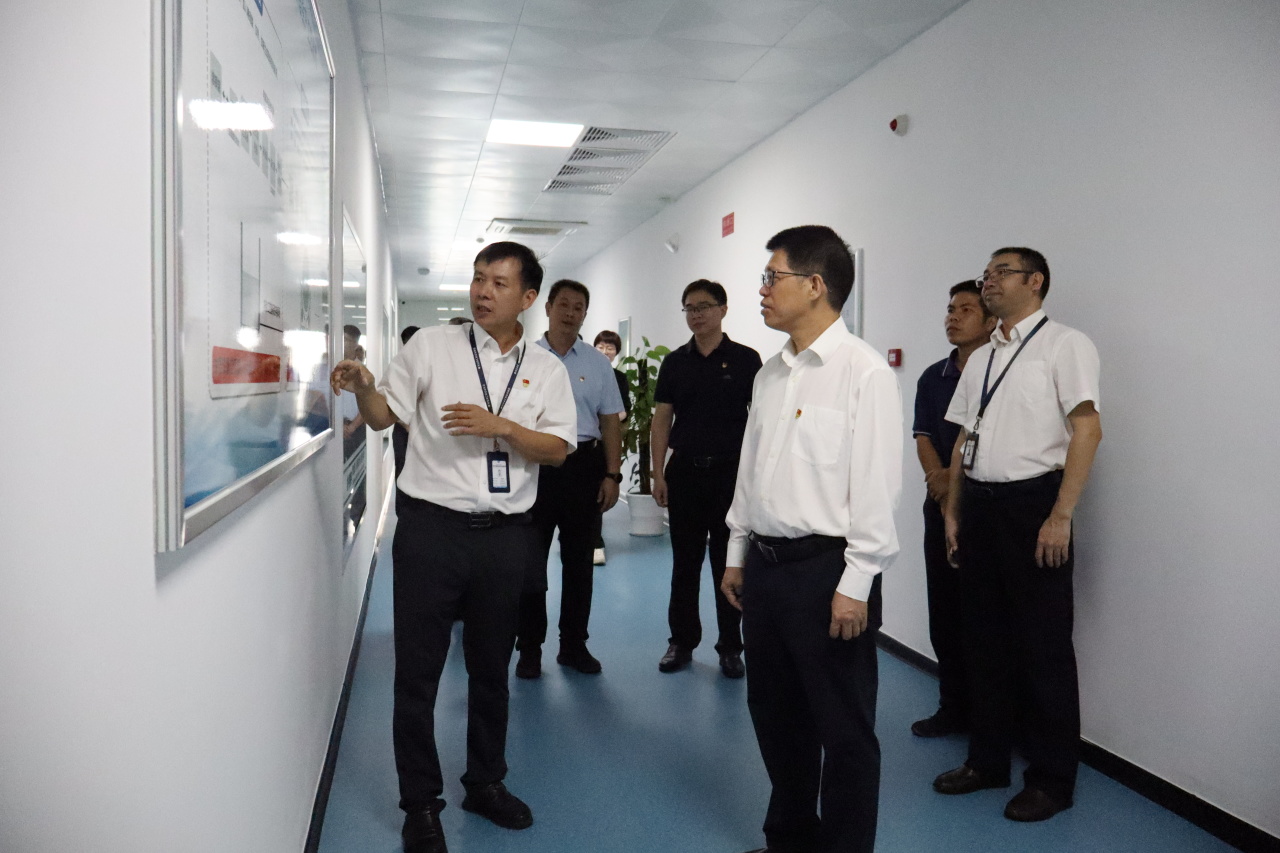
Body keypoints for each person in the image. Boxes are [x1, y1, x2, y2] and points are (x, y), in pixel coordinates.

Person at [330, 241, 576, 853]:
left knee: (491, 670)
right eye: (478, 279)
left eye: (499, 283)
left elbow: (558, 449)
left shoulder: (546, 369)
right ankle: (420, 804)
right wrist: (364, 386)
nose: (483, 291)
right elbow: (382, 417)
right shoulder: (433, 346)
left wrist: (502, 428)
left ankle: (485, 783)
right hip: (431, 532)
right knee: (418, 674)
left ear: (527, 298)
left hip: (506, 537)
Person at [722, 225, 902, 853]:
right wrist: (737, 552)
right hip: (766, 569)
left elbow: (877, 488)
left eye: (773, 277)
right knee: (775, 716)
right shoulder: (770, 374)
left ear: (816, 285)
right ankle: (791, 838)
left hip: (828, 573)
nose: (762, 291)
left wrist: (857, 584)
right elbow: (750, 470)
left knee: (844, 728)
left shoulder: (864, 372)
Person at [932, 247, 1102, 824]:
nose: (989, 281)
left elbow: (1087, 429)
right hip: (979, 507)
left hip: (1034, 508)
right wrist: (954, 513)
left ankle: (1052, 780)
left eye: (1001, 272)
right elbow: (963, 440)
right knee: (982, 640)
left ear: (1036, 281)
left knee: (1042, 647)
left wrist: (1061, 515)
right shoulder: (982, 356)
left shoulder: (1065, 344)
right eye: (987, 273)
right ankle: (987, 761)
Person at [650, 279, 761, 678]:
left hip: (731, 475)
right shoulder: (675, 362)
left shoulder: (747, 360)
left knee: (728, 564)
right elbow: (662, 419)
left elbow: (760, 422)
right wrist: (657, 472)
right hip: (685, 473)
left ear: (723, 310)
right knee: (685, 563)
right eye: (689, 308)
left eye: (704, 306)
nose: (696, 315)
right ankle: (681, 642)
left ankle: (731, 647)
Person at [515, 280, 625, 678]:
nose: (570, 313)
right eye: (563, 304)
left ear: (585, 314)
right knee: (531, 564)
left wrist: (612, 474)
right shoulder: (524, 357)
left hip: (583, 468)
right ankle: (529, 648)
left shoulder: (597, 364)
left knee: (580, 564)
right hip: (536, 467)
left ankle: (573, 645)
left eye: (578, 307)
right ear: (547, 308)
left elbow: (610, 422)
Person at [909, 281, 996, 738]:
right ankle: (952, 707)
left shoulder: (999, 371)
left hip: (984, 506)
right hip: (940, 502)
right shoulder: (932, 377)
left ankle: (992, 717)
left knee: (985, 617)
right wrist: (940, 483)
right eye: (950, 309)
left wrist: (956, 489)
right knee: (943, 612)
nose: (953, 317)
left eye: (965, 309)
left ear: (991, 320)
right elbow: (923, 435)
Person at [592, 329, 630, 566]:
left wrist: (607, 419)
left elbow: (624, 410)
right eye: (601, 346)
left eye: (610, 348)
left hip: (605, 442)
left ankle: (596, 542)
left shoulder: (619, 378)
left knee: (599, 492)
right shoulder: (587, 371)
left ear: (616, 353)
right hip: (583, 441)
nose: (605, 351)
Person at [392, 325, 420, 482]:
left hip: (422, 432)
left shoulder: (428, 365)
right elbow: (392, 404)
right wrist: (410, 428)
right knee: (403, 471)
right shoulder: (400, 367)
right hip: (404, 431)